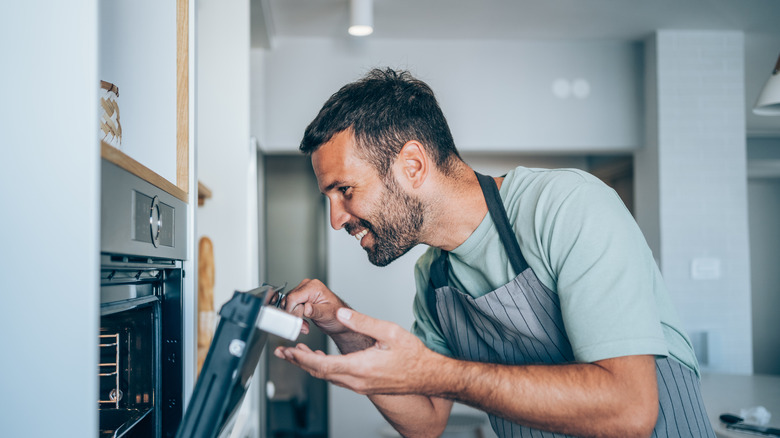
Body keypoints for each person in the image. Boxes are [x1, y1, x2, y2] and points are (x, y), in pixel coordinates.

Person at [273, 68, 715, 438]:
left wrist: (439, 373)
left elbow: (631, 409)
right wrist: (342, 328)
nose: (336, 219)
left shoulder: (565, 208)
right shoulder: (435, 277)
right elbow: (426, 421)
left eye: (345, 190)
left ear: (412, 165)